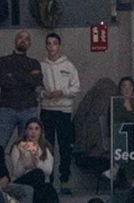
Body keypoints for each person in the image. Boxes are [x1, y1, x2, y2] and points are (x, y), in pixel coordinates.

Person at [37, 34, 79, 189]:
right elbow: (37, 88)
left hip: (64, 111)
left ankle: (64, 180)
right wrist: (44, 94)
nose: (51, 46)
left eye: (54, 43)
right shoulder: (41, 66)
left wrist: (61, 92)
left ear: (59, 46)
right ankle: (48, 180)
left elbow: (76, 87)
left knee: (64, 146)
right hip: (47, 110)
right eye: (48, 43)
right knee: (47, 147)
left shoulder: (69, 66)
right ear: (46, 46)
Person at [0, 32, 43, 146]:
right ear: (15, 40)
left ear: (30, 44)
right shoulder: (3, 61)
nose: (23, 40)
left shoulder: (34, 63)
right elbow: (2, 81)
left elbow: (36, 81)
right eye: (20, 37)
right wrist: (27, 76)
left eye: (27, 39)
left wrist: (13, 75)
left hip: (29, 109)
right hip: (7, 109)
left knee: (29, 149)